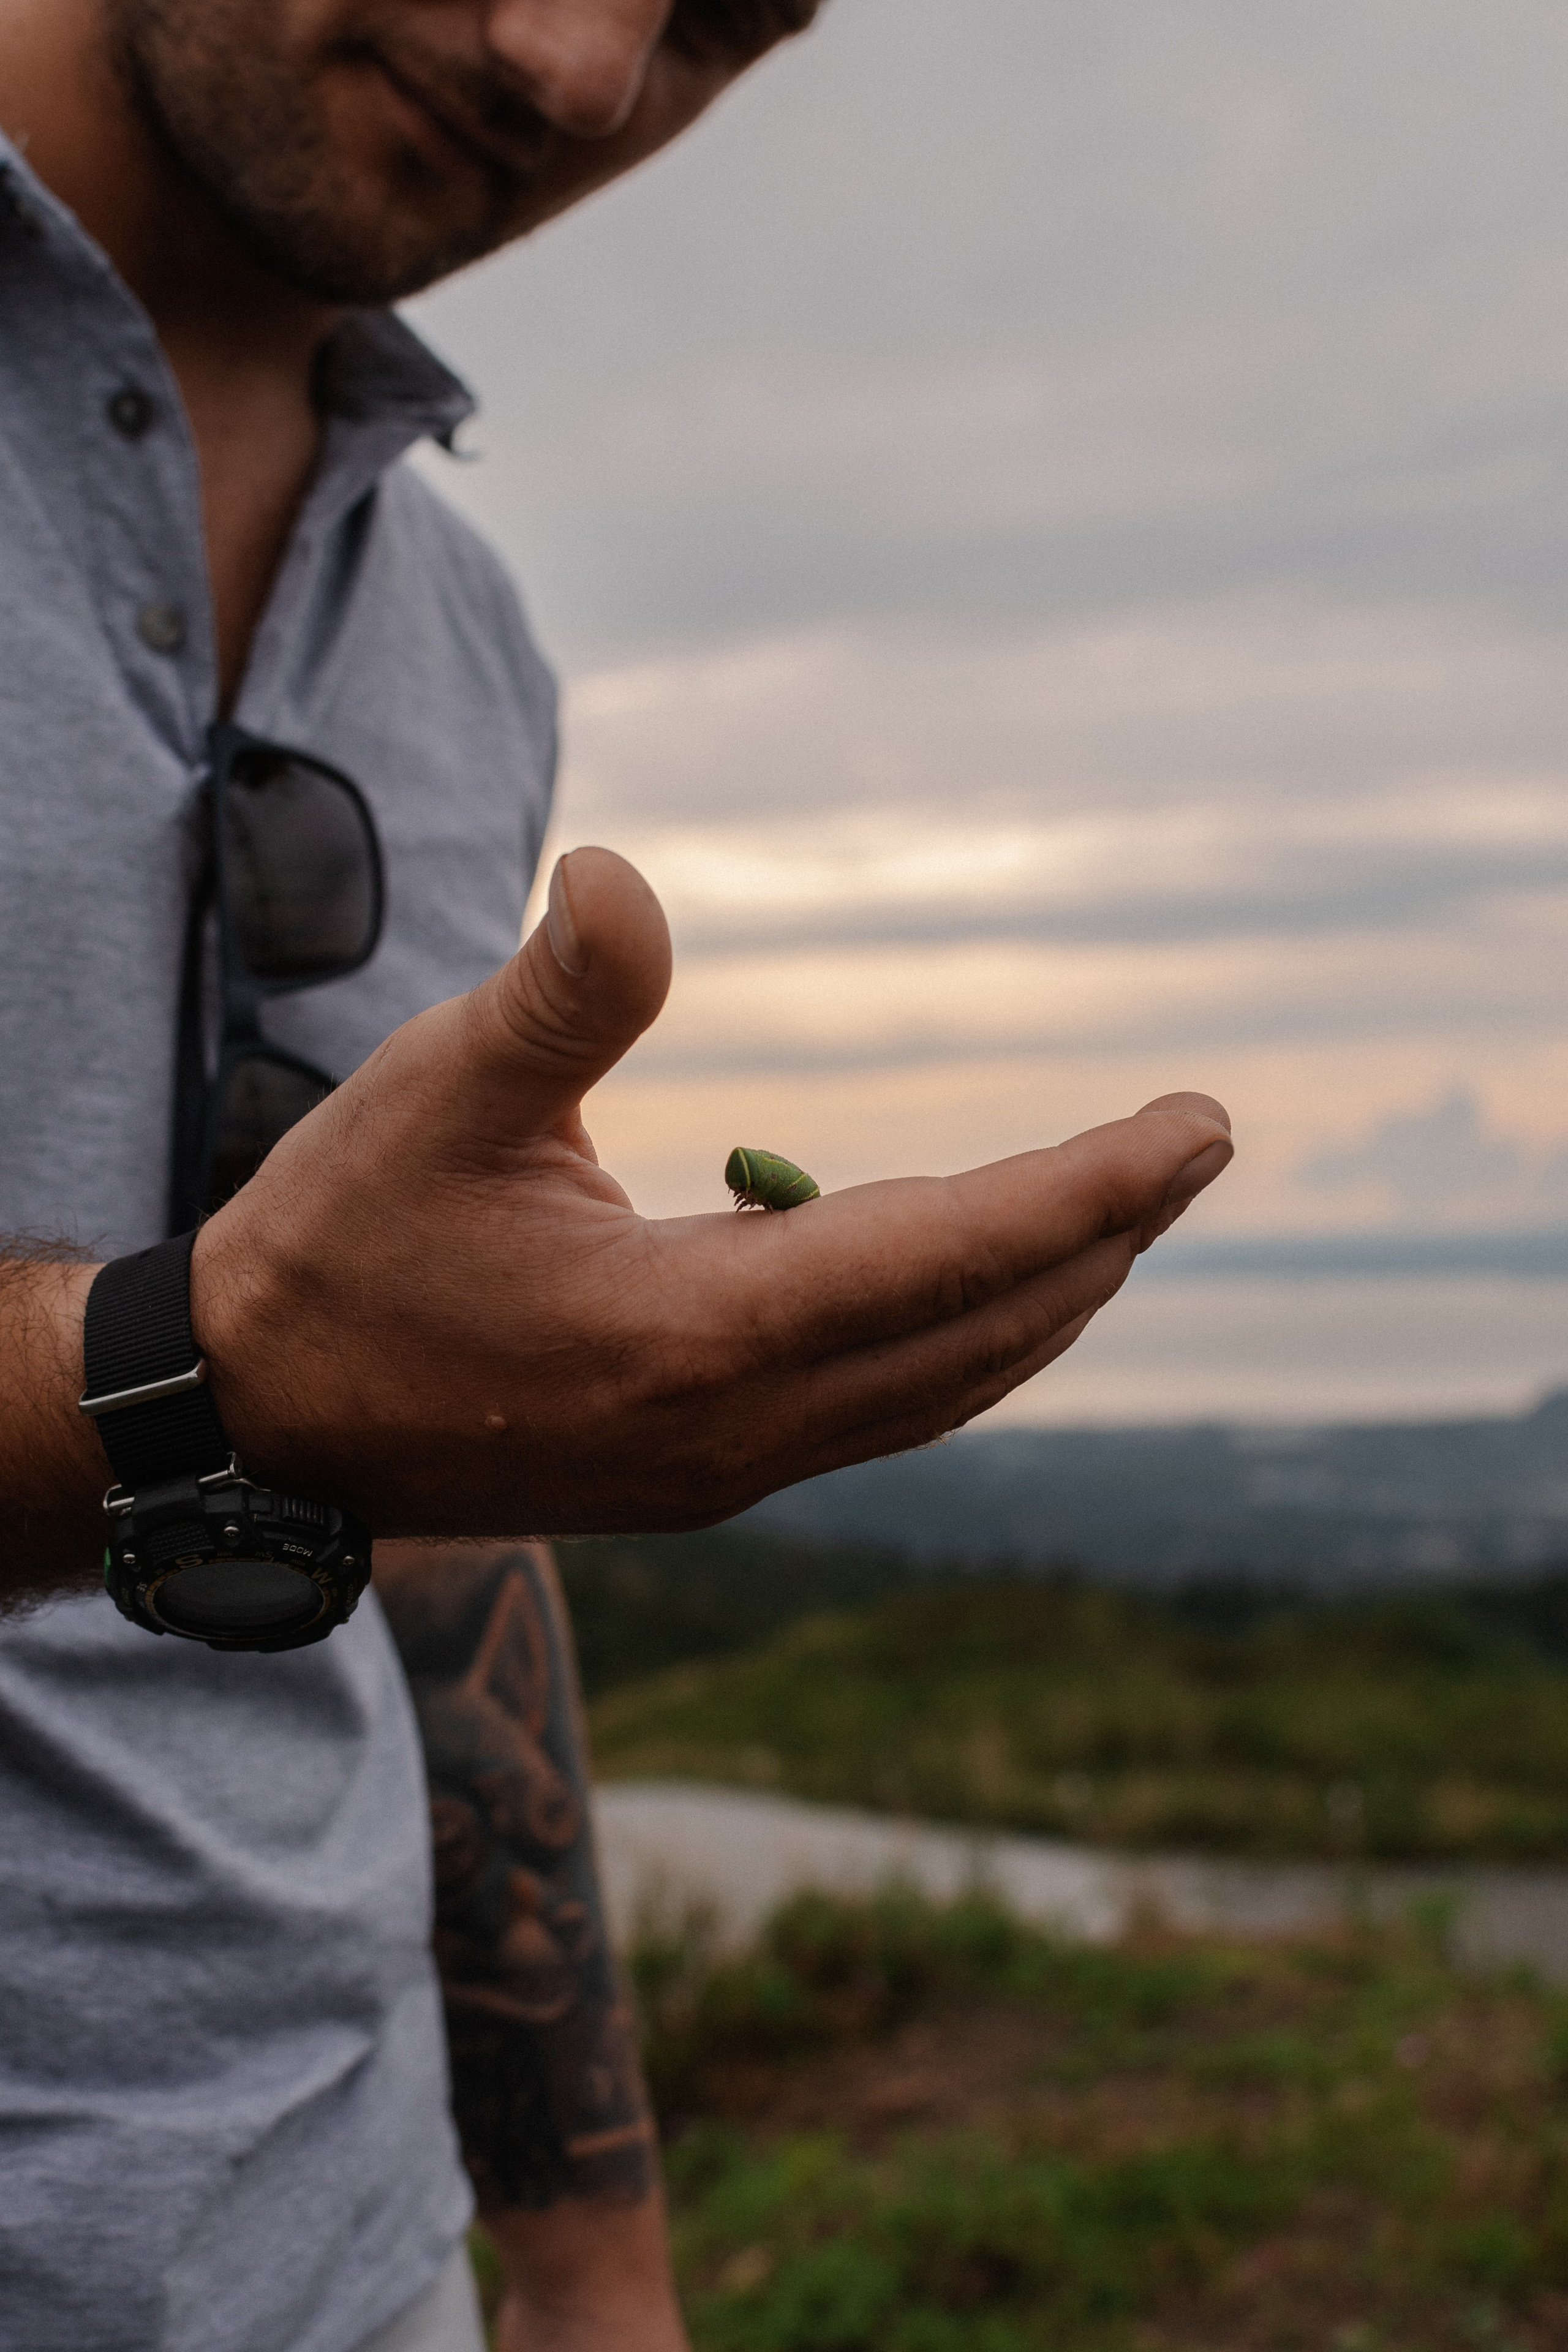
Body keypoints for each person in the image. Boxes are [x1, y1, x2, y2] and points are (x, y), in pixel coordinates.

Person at [0, 1, 1235, 2347]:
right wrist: (205, 1380)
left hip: (352, 2261)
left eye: (725, 12)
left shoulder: (465, 643)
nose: (577, 71)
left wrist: (590, 2262)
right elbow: (298, 1381)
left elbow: (435, 1500)